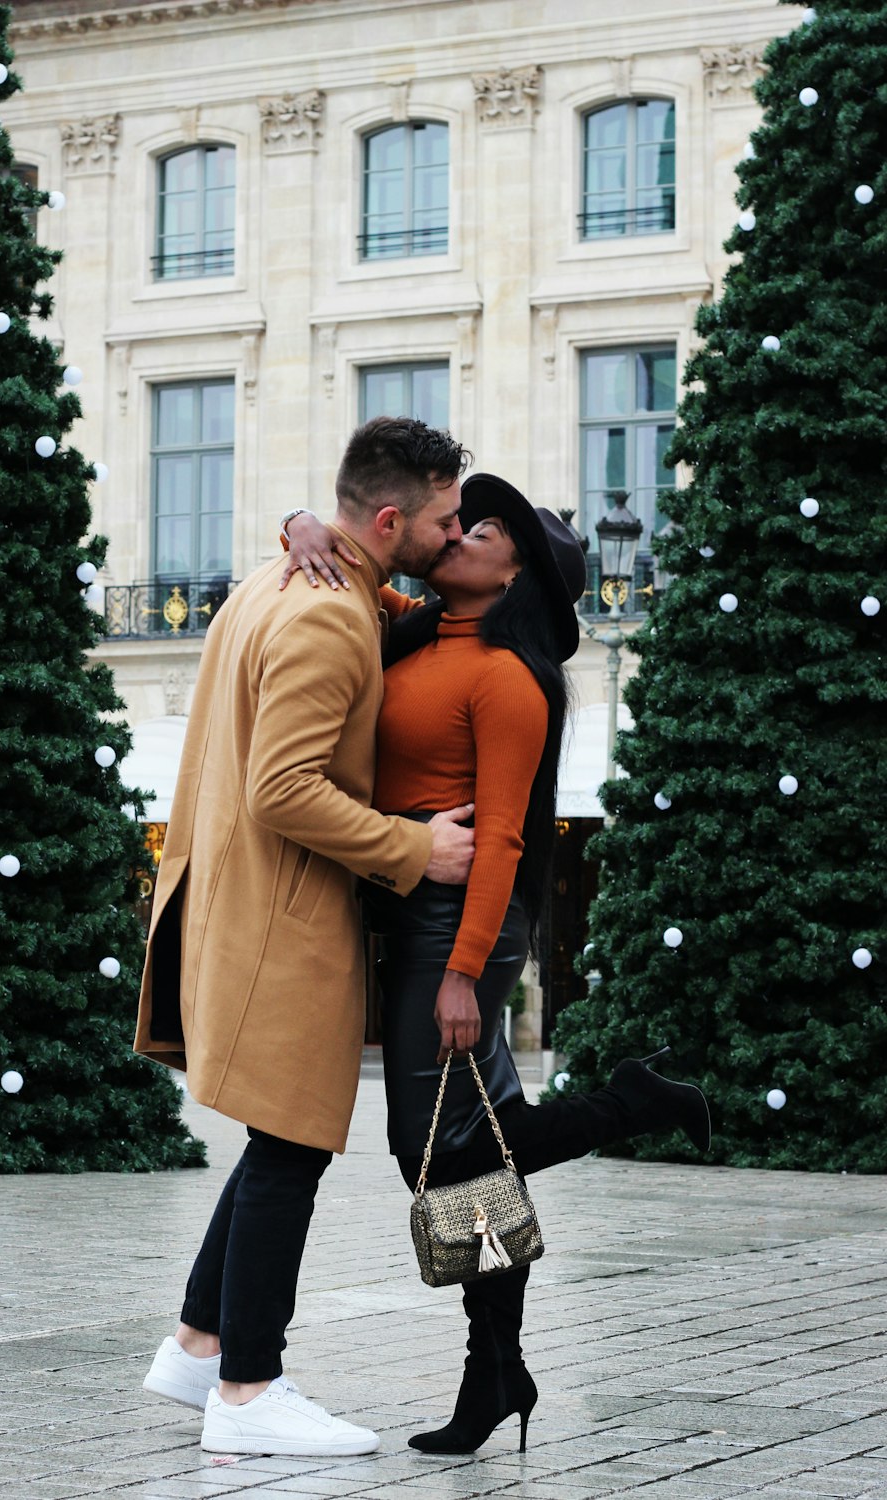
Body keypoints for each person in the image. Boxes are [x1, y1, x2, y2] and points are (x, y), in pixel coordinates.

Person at [283, 473, 711, 1455]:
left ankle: (630, 1109)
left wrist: (466, 972)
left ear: (515, 574)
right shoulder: (419, 628)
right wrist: (301, 522)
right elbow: (342, 566)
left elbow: (508, 839)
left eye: (482, 531)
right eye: (462, 522)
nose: (462, 534)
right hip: (411, 910)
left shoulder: (508, 678)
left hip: (455, 922)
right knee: (465, 1150)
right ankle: (495, 1374)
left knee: (437, 1152)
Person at [134, 417, 479, 1458]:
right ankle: (248, 1391)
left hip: (243, 905)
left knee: (274, 1142)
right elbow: (285, 788)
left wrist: (298, 524)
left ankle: (200, 1345)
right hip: (282, 919)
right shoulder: (329, 614)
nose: (452, 537)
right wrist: (416, 849)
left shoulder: (277, 580)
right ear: (388, 519)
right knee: (291, 1151)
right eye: (443, 520)